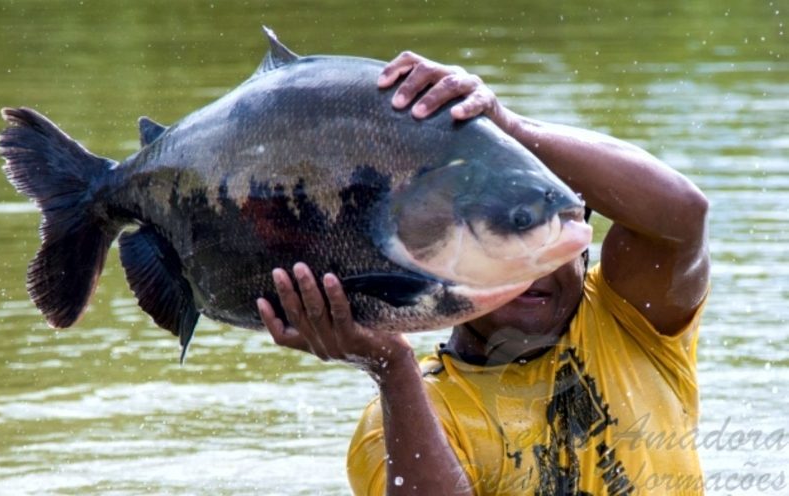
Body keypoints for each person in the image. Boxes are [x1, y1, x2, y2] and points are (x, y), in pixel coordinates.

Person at [256, 51, 710, 495]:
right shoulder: (405, 417)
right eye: (499, 244)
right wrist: (391, 366)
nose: (529, 272)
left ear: (582, 247)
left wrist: (507, 126)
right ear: (437, 263)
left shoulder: (630, 324)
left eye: (539, 239)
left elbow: (682, 215)